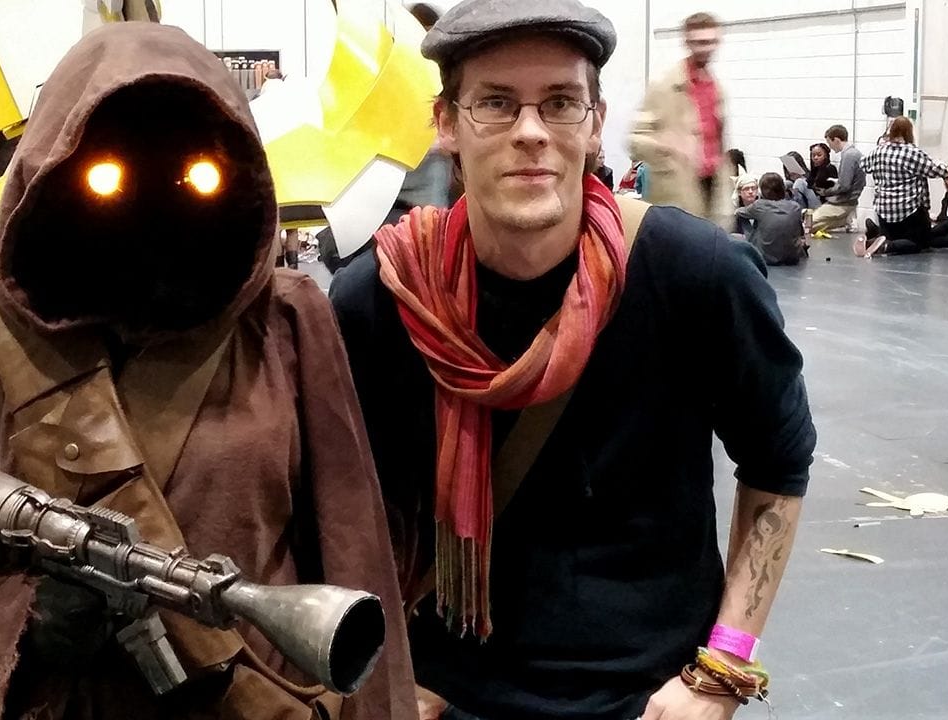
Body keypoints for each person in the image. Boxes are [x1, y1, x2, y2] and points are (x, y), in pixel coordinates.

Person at [0, 24, 415, 720]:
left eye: (192, 169)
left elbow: (354, 553)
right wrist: (23, 617)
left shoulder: (287, 322)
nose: (154, 197)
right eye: (109, 170)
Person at [329, 0, 816, 718]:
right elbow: (346, 503)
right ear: (445, 125)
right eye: (496, 103)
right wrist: (388, 670)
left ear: (593, 124)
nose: (531, 132)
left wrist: (719, 674)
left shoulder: (698, 276)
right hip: (445, 692)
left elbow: (777, 470)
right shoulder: (385, 297)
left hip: (646, 696)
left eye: (560, 103)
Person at [630, 12, 730, 222]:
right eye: (699, 42)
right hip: (678, 194)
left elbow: (720, 144)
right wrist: (664, 144)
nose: (706, 49)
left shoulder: (717, 88)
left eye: (711, 42)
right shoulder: (665, 85)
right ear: (687, 42)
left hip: (712, 193)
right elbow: (634, 139)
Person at [856, 117, 948, 257]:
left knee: (891, 235)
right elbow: (939, 171)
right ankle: (886, 246)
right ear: (909, 132)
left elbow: (863, 165)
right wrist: (941, 163)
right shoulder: (912, 152)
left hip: (883, 208)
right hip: (909, 210)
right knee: (920, 244)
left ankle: (875, 239)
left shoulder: (879, 151)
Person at [737, 172, 805, 266]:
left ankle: (752, 247)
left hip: (766, 257)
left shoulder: (759, 205)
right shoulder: (796, 207)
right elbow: (800, 232)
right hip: (792, 257)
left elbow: (739, 212)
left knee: (743, 217)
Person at [811, 124, 864, 237]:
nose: (829, 146)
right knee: (817, 225)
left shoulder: (849, 156)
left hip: (843, 203)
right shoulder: (855, 154)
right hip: (848, 202)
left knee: (808, 225)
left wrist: (825, 192)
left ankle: (846, 218)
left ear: (836, 140)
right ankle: (845, 219)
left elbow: (844, 186)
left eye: (829, 142)